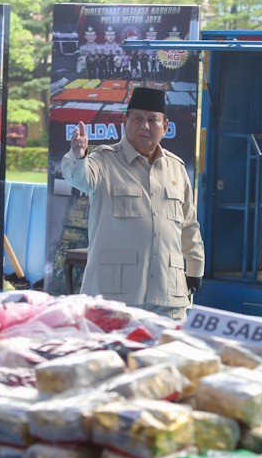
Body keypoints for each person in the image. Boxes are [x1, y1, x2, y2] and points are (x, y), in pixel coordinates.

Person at [61, 87, 205, 320]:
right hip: (115, 297)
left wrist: (195, 269)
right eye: (137, 118)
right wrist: (78, 156)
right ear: (124, 120)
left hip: (168, 295)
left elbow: (188, 225)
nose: (144, 126)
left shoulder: (176, 168)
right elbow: (81, 177)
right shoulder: (104, 160)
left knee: (169, 345)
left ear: (165, 126)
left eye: (152, 120)